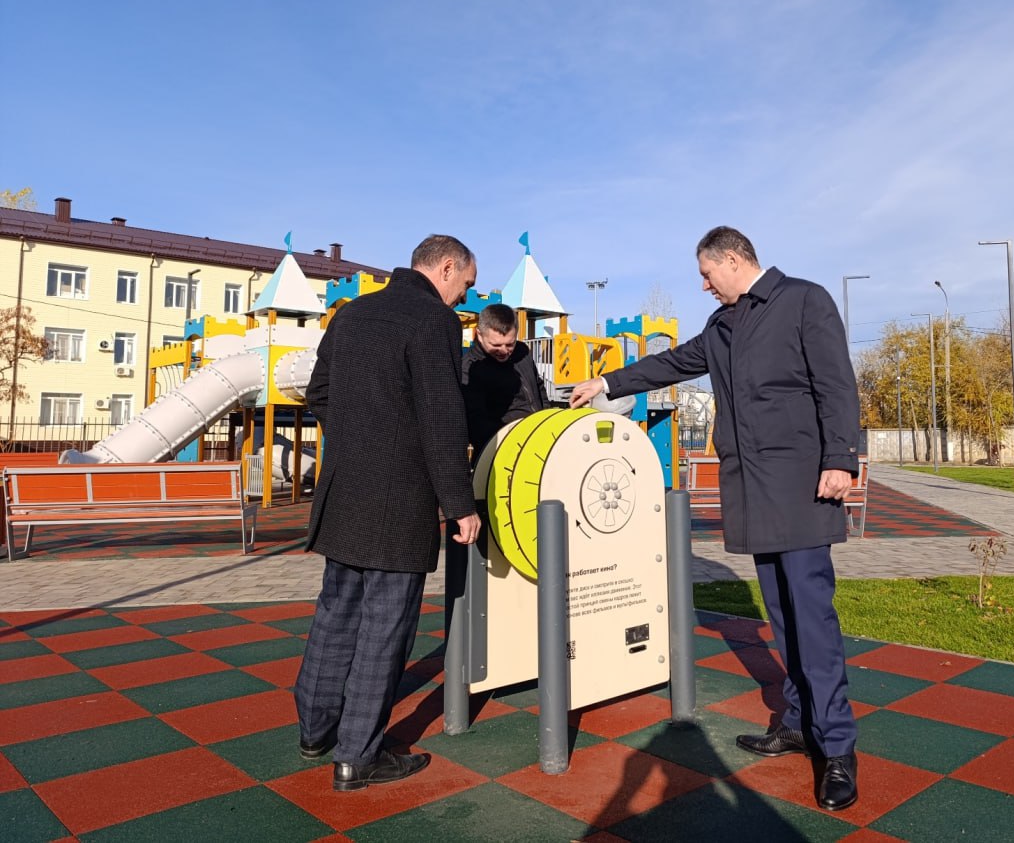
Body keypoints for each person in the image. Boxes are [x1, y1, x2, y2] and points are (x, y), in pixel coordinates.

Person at [570, 226, 861, 812]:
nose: (703, 286)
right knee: (782, 616)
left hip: (801, 485)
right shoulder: (722, 327)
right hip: (751, 489)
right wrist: (608, 381)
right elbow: (675, 363)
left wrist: (840, 459)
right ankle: (799, 722)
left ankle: (837, 750)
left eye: (707, 274)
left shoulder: (805, 300)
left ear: (733, 259)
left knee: (813, 620)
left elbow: (836, 384)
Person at [295, 234, 482, 792]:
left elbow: (318, 392)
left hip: (345, 489)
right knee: (385, 626)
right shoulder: (434, 322)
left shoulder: (352, 313)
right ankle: (357, 757)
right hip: (399, 498)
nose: (463, 298)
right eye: (465, 285)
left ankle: (314, 729)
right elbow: (442, 418)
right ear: (446, 268)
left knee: (335, 612)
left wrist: (360, 436)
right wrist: (458, 505)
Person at [461, 303, 549, 458]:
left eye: (510, 344)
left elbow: (539, 387)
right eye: (495, 345)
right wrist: (514, 438)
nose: (503, 351)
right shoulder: (470, 368)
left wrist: (547, 418)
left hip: (538, 439)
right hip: (502, 451)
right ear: (479, 335)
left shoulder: (522, 352)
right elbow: (477, 423)